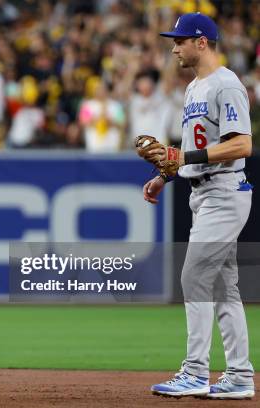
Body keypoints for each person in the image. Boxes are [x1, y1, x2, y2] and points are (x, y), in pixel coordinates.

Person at [141, 13, 255, 399]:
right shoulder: (194, 88)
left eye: (180, 40)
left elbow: (242, 144)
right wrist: (166, 175)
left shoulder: (226, 85)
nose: (174, 47)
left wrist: (183, 154)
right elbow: (190, 154)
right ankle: (240, 376)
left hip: (225, 192)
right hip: (203, 194)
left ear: (201, 42)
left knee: (193, 276)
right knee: (224, 288)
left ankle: (194, 371)